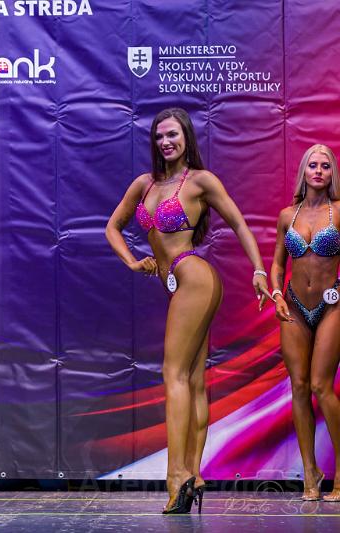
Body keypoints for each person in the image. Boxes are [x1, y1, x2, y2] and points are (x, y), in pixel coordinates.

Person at [105, 108, 269, 513]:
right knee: (192, 381)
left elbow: (239, 224)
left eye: (173, 135)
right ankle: (194, 475)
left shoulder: (200, 181)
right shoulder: (144, 184)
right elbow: (112, 227)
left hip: (194, 276)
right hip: (177, 283)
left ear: (187, 138)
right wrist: (132, 262)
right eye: (160, 136)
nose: (166, 142)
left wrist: (260, 270)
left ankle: (176, 476)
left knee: (173, 374)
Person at [269, 144, 340, 502]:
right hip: (294, 305)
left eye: (325, 166)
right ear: (304, 171)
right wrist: (276, 294)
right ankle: (310, 473)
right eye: (313, 165)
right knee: (298, 386)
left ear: (332, 173)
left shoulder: (339, 212)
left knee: (320, 386)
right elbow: (277, 264)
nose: (318, 171)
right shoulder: (288, 215)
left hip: (332, 305)